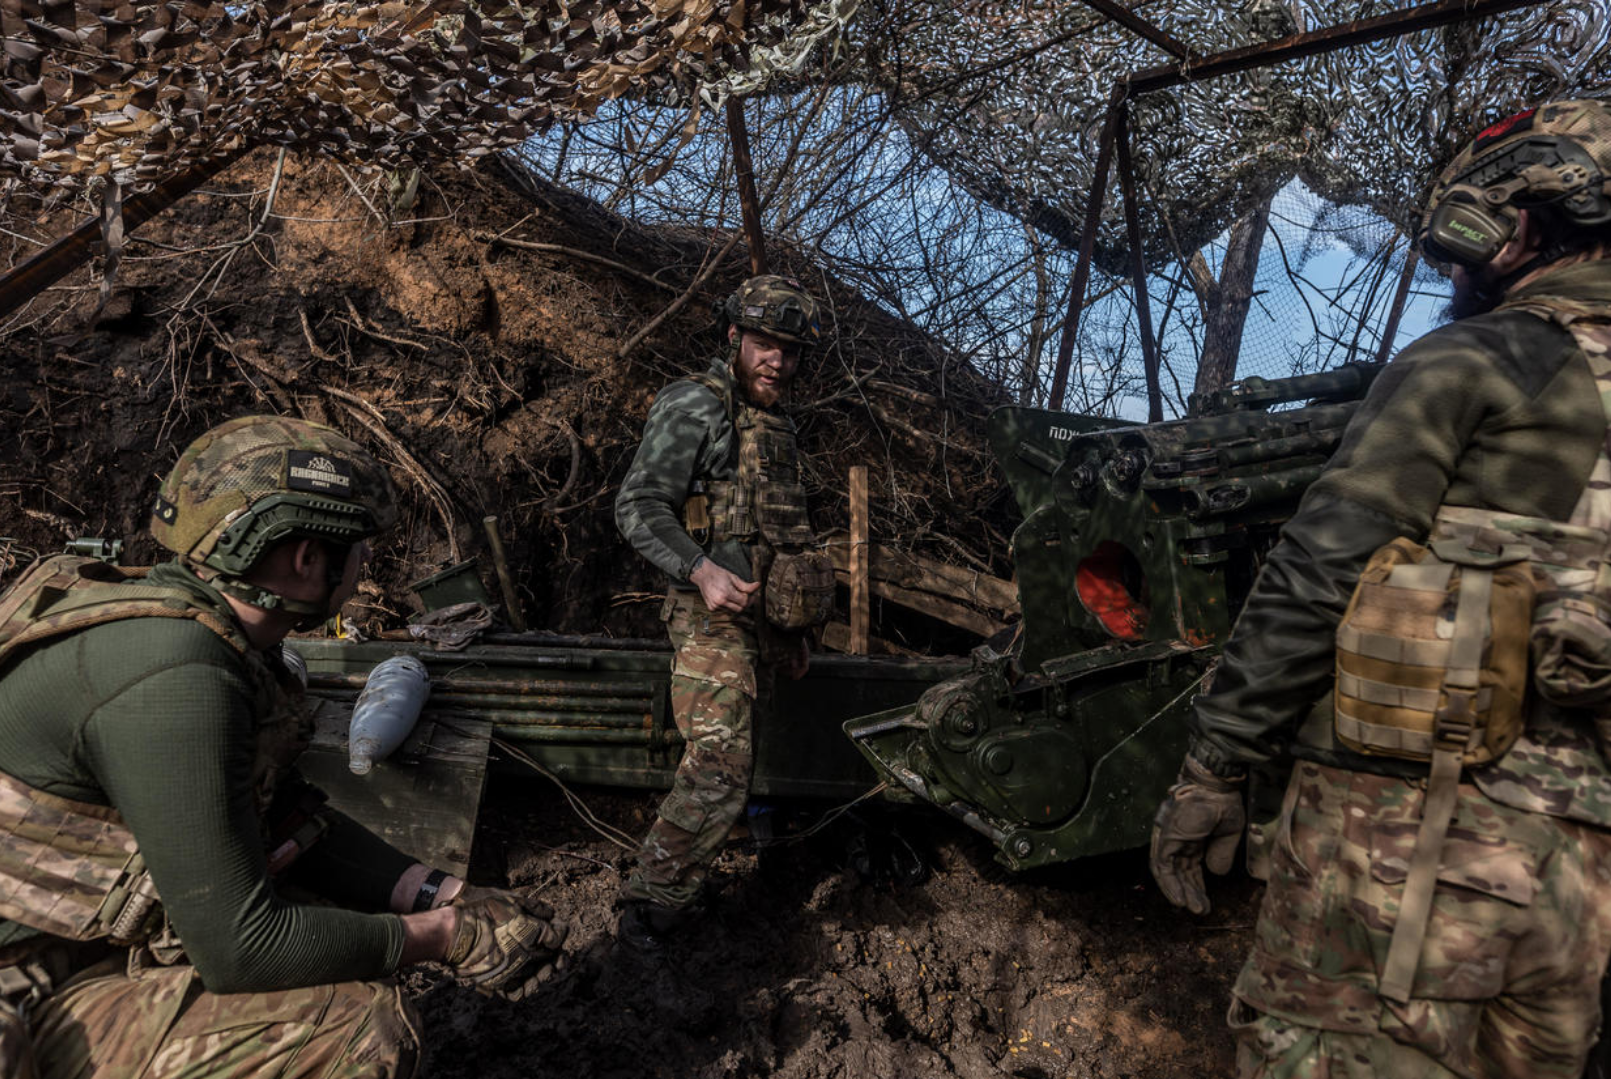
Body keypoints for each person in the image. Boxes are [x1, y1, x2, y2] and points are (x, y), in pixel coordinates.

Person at [1150, 98, 1611, 1079]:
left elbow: (1323, 567)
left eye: (1462, 227)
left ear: (1524, 223)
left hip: (1413, 853)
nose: (1449, 262)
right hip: (1582, 891)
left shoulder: (1477, 357)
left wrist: (1215, 767)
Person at [0, 415, 567, 1079]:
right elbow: (243, 945)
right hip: (23, 985)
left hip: (68, 953)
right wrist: (442, 936)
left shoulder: (197, 635)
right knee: (349, 1029)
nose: (363, 564)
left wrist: (447, 893)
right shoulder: (179, 675)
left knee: (330, 970)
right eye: (357, 547)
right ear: (305, 559)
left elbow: (283, 824)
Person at [614, 274, 832, 949]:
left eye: (791, 351)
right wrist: (699, 569)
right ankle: (650, 906)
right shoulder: (695, 405)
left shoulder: (776, 424)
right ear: (735, 337)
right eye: (766, 344)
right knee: (717, 766)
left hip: (760, 624)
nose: (778, 361)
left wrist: (794, 635)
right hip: (710, 616)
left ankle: (696, 884)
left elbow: (776, 536)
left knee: (732, 763)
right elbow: (638, 504)